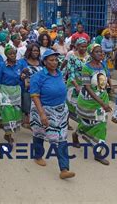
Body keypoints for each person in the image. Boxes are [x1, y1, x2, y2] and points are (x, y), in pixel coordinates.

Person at [30, 49, 75, 179]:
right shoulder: (38, 77)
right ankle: (38, 155)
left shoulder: (59, 73)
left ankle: (64, 169)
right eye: (51, 60)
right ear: (44, 62)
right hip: (43, 110)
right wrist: (42, 114)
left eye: (56, 60)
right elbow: (35, 96)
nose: (55, 62)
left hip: (60, 111)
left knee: (61, 138)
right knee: (39, 134)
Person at [73, 44, 112, 165]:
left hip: (102, 98)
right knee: (88, 122)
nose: (101, 54)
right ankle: (77, 133)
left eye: (101, 52)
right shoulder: (86, 68)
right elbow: (87, 87)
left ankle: (98, 152)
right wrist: (101, 102)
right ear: (91, 54)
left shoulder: (103, 65)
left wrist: (109, 86)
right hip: (89, 101)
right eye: (97, 52)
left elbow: (107, 77)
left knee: (101, 125)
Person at [0, 45, 23, 144]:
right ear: (6, 55)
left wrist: (23, 77)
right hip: (5, 91)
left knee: (15, 113)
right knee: (7, 114)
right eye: (10, 54)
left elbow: (21, 78)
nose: (13, 55)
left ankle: (7, 134)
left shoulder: (19, 65)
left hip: (16, 91)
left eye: (14, 53)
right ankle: (9, 135)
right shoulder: (3, 66)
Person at [18, 43, 43, 128]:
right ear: (29, 51)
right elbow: (17, 74)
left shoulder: (41, 62)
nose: (36, 52)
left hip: (39, 88)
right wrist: (21, 75)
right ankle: (28, 121)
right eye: (34, 50)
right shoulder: (22, 62)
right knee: (27, 106)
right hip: (26, 88)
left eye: (37, 51)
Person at [65, 38, 89, 122]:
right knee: (70, 104)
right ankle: (66, 121)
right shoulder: (72, 57)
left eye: (85, 46)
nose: (84, 48)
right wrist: (76, 86)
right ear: (77, 46)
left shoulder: (89, 57)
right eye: (82, 46)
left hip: (85, 84)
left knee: (84, 105)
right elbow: (71, 73)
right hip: (73, 83)